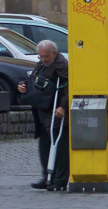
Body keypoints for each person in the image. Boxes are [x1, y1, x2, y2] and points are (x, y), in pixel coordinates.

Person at [17, 40, 69, 191]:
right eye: (41, 56)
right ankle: (47, 176)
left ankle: (59, 180)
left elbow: (67, 88)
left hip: (55, 110)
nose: (43, 59)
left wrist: (63, 107)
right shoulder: (41, 64)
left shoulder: (61, 66)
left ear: (54, 53)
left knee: (60, 147)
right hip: (42, 109)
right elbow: (34, 80)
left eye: (45, 56)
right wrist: (22, 85)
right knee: (45, 144)